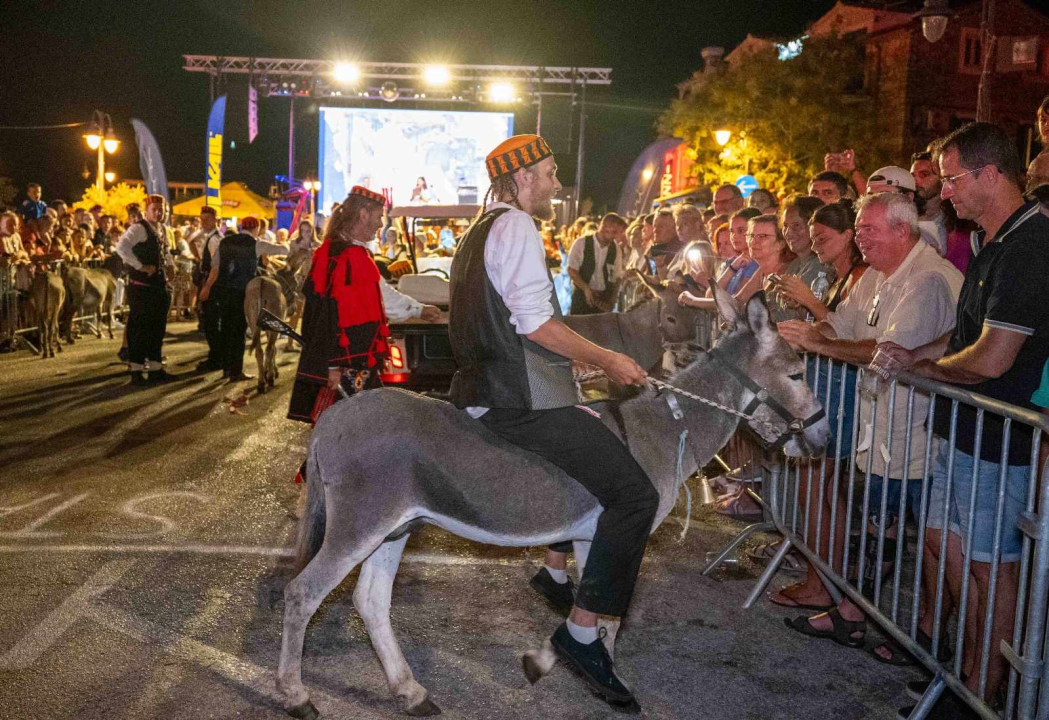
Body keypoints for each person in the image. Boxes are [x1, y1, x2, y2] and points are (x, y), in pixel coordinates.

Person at [449, 134, 656, 707]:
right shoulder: (516, 225)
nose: (556, 184)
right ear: (521, 178)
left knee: (592, 449)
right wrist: (607, 358)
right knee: (636, 497)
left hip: (487, 392)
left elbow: (507, 326)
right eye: (549, 172)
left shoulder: (478, 228)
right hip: (513, 403)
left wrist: (567, 370)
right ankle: (581, 635)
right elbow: (534, 324)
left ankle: (555, 573)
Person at [875, 122, 1049, 713]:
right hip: (966, 428)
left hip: (1002, 438)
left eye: (951, 180)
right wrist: (915, 356)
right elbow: (965, 338)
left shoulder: (1032, 245)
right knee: (950, 551)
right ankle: (962, 676)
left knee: (989, 568)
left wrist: (930, 370)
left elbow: (994, 357)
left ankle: (980, 693)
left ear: (990, 175)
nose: (943, 192)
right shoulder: (990, 240)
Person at [776, 192, 962, 665]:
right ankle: (855, 614)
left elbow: (887, 352)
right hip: (882, 427)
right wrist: (810, 333)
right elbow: (843, 325)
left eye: (868, 229)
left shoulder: (926, 281)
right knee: (883, 525)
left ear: (902, 230)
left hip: (917, 431)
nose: (860, 238)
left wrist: (820, 344)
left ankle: (924, 634)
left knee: (927, 541)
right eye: (858, 228)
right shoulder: (879, 275)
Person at [199, 217, 289, 381]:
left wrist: (207, 287)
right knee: (239, 330)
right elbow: (283, 250)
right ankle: (236, 371)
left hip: (224, 290)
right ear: (256, 228)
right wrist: (285, 243)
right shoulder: (256, 243)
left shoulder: (224, 242)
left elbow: (215, 267)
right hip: (243, 291)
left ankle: (226, 368)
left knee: (226, 328)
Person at [115, 194, 175, 385]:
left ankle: (156, 369)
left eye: (161, 210)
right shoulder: (138, 228)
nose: (158, 213)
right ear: (146, 211)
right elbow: (121, 248)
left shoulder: (162, 228)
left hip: (158, 286)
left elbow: (165, 250)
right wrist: (140, 266)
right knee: (140, 329)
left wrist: (170, 265)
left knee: (157, 328)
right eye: (154, 210)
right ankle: (136, 371)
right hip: (141, 288)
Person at [567, 212, 627, 314]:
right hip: (582, 298)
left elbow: (617, 277)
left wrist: (612, 301)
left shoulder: (616, 249)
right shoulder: (581, 243)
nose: (617, 236)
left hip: (604, 301)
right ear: (605, 228)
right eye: (615, 232)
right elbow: (571, 270)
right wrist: (586, 288)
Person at [194, 206, 225, 371]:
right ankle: (216, 357)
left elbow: (216, 266)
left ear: (215, 220)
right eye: (202, 219)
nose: (203, 222)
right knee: (210, 322)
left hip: (212, 284)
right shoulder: (212, 237)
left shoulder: (214, 239)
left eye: (207, 219)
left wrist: (206, 287)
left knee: (211, 322)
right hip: (211, 283)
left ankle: (216, 359)